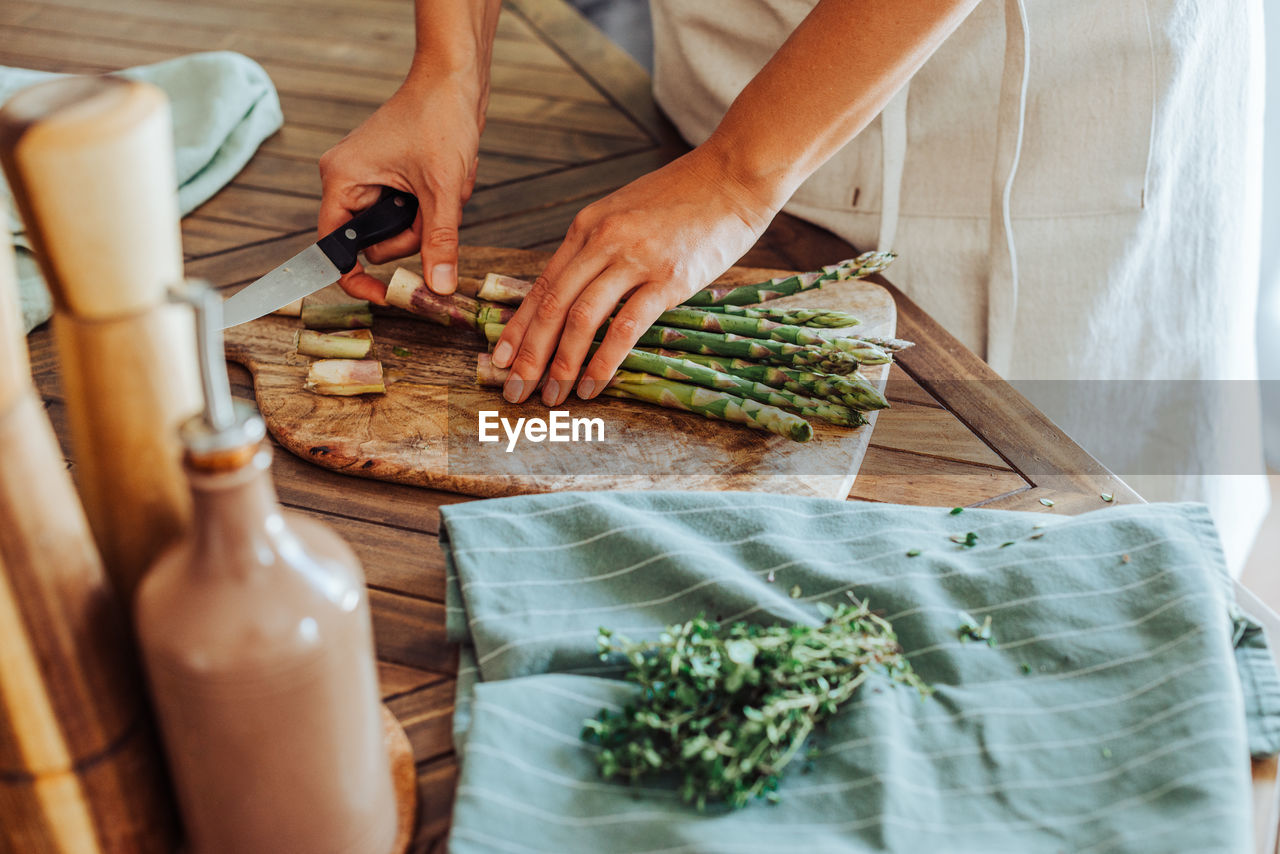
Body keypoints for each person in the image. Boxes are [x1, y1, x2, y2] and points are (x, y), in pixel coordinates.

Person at [318, 0, 1268, 572]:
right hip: (720, 89)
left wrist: (737, 175)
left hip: (1045, 123)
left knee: (1083, 572)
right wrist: (450, 64)